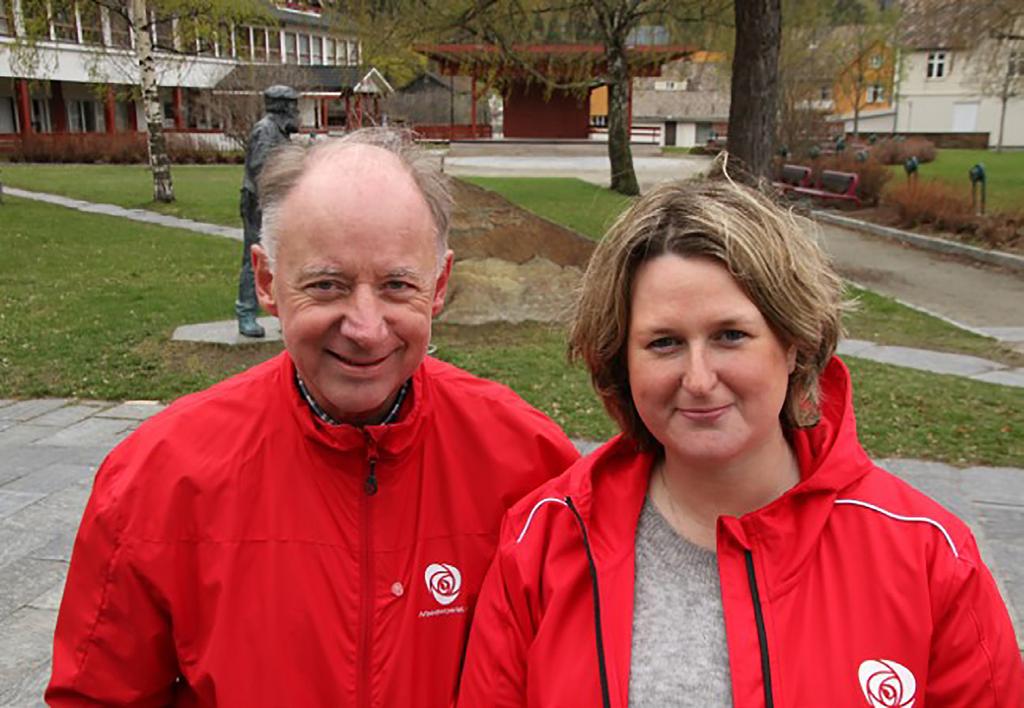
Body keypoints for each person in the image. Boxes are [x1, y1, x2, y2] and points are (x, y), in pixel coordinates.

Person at [46, 129, 580, 706]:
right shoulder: (156, 478)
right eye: (327, 285)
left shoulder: (533, 465)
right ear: (267, 281)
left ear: (439, 286)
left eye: (398, 285)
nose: (365, 326)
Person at [458, 177, 1024, 707]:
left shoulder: (928, 557)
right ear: (621, 360)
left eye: (731, 336)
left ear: (794, 343)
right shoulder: (544, 542)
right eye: (663, 343)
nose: (699, 379)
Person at [236, 84, 300, 338]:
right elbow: (261, 170)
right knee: (255, 257)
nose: (296, 111)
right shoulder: (265, 131)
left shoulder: (280, 132)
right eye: (293, 105)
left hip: (276, 201)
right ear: (283, 107)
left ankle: (285, 313)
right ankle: (246, 313)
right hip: (259, 203)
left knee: (284, 256)